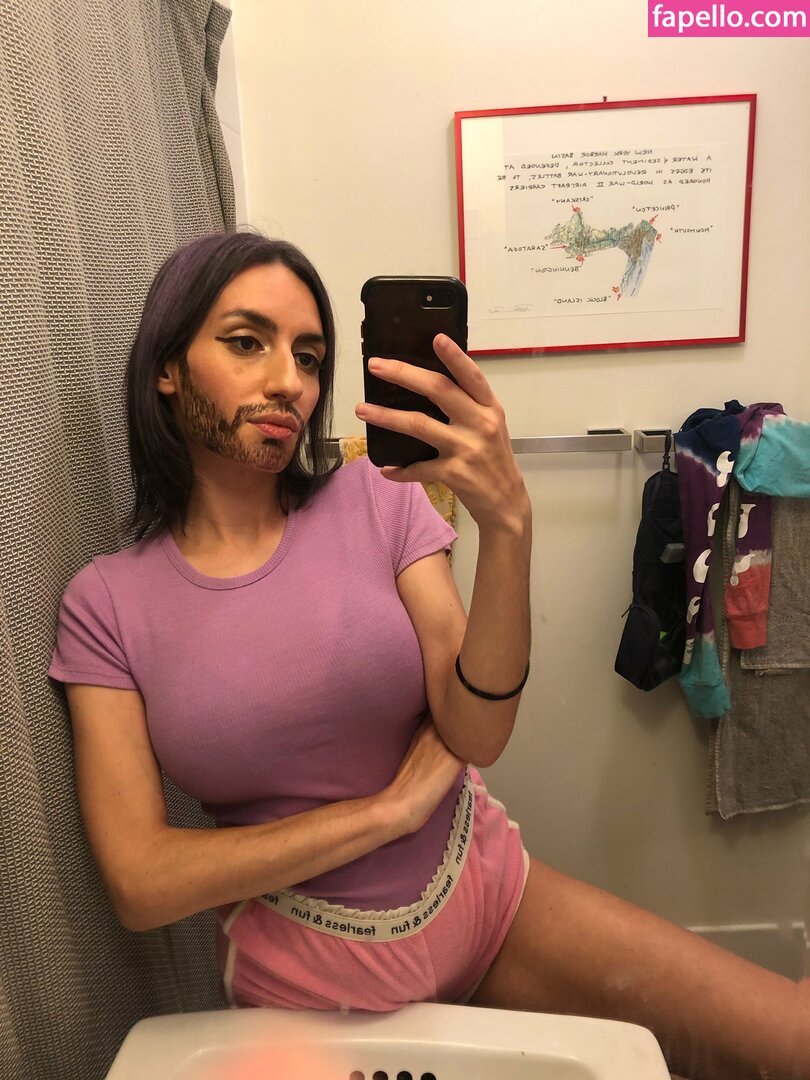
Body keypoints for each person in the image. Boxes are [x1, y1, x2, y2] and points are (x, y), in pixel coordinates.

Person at [48, 230, 809, 1080]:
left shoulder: (377, 498)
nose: (289, 381)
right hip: (304, 982)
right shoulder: (107, 604)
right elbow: (142, 882)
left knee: (788, 1039)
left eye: (309, 356)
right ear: (167, 366)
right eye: (247, 342)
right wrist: (386, 814)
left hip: (489, 901)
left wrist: (509, 524)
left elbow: (476, 731)